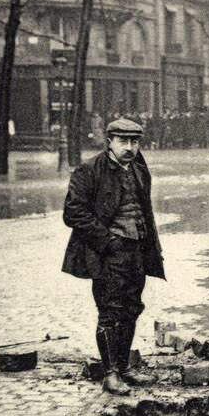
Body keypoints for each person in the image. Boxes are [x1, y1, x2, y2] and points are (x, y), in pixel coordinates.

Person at [62, 118, 164, 396]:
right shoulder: (89, 171)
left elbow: (144, 212)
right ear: (109, 142)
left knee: (132, 308)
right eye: (123, 141)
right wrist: (107, 241)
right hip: (108, 253)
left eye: (134, 142)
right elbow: (73, 213)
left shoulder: (139, 169)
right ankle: (110, 374)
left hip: (138, 251)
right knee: (110, 311)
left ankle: (125, 367)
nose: (130, 147)